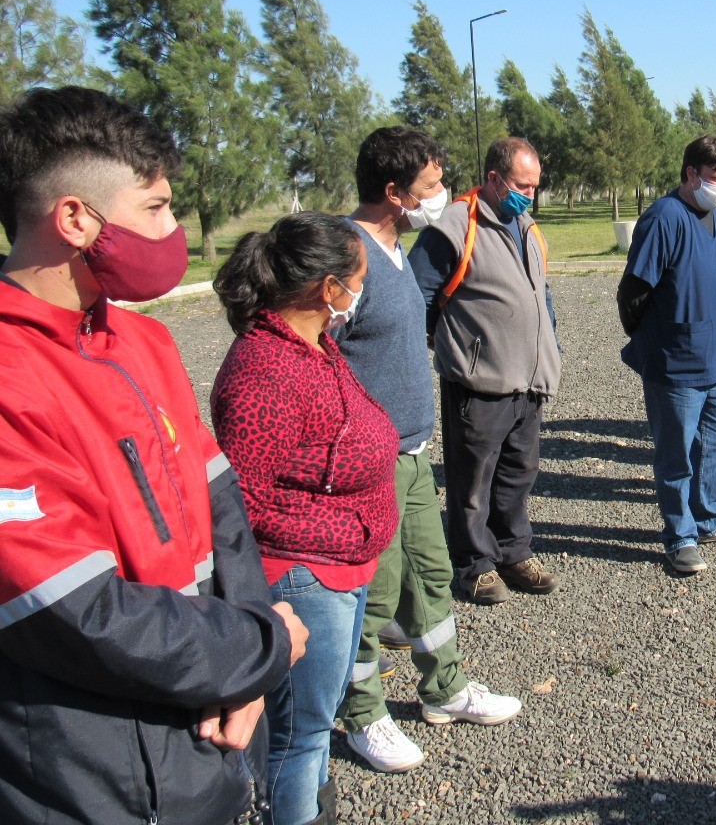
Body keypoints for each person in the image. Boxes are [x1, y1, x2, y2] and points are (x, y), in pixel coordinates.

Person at [0, 86, 306, 825]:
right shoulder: (10, 376)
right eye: (157, 207)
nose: (173, 230)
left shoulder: (145, 342)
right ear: (76, 218)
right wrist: (260, 647)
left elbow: (220, 509)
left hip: (213, 730)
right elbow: (73, 610)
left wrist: (247, 669)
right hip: (97, 777)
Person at [335, 127, 521, 774]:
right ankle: (361, 713)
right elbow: (312, 356)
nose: (442, 195)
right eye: (431, 187)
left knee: (432, 575)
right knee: (375, 595)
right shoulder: (344, 258)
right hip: (370, 463)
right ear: (392, 192)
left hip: (413, 456)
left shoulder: (396, 247)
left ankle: (444, 689)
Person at [211, 212, 400, 825]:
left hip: (340, 571)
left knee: (316, 725)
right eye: (359, 278)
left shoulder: (314, 346)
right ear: (328, 288)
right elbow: (243, 503)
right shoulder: (263, 371)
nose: (361, 291)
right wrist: (344, 532)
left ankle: (316, 806)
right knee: (301, 735)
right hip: (302, 580)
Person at [409, 137, 562, 605]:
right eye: (521, 185)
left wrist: (547, 345)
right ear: (494, 178)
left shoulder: (527, 225)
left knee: (519, 474)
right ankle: (473, 566)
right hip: (480, 382)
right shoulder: (455, 225)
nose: (529, 195)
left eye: (535, 187)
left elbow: (541, 294)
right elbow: (417, 296)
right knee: (472, 481)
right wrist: (455, 345)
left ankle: (513, 553)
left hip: (529, 380)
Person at [617, 135, 716, 574]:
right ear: (691, 175)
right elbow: (633, 293)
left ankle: (710, 518)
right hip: (677, 365)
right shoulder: (664, 218)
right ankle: (679, 535)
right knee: (676, 454)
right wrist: (659, 342)